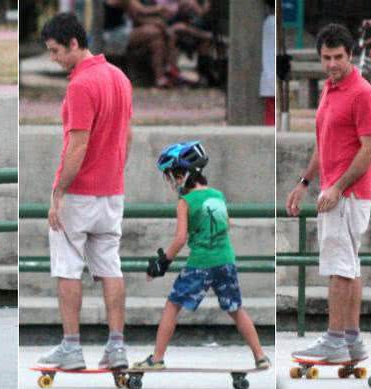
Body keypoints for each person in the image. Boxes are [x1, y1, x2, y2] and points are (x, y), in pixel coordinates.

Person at [37, 12, 133, 370]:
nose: (54, 58)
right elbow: (128, 135)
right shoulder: (120, 78)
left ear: (75, 44)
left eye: (56, 50)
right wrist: (115, 172)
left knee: (67, 268)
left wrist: (58, 193)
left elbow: (77, 146)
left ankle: (71, 346)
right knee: (110, 267)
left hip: (78, 191)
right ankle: (117, 346)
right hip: (111, 190)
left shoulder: (80, 85)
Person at [287, 24, 371, 364]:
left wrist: (338, 187)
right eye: (326, 58)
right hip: (333, 189)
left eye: (338, 57)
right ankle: (352, 340)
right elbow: (324, 143)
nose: (331, 64)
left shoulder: (362, 93)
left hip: (348, 195)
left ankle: (334, 340)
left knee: (339, 267)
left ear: (351, 55)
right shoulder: (329, 89)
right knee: (350, 266)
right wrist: (305, 181)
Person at [132, 141, 270, 370]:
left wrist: (162, 262)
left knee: (172, 306)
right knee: (236, 308)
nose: (171, 181)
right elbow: (227, 223)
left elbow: (180, 239)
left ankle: (157, 358)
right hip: (226, 260)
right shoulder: (218, 195)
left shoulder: (185, 202)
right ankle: (260, 356)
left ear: (182, 175)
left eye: (171, 176)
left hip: (200, 263)